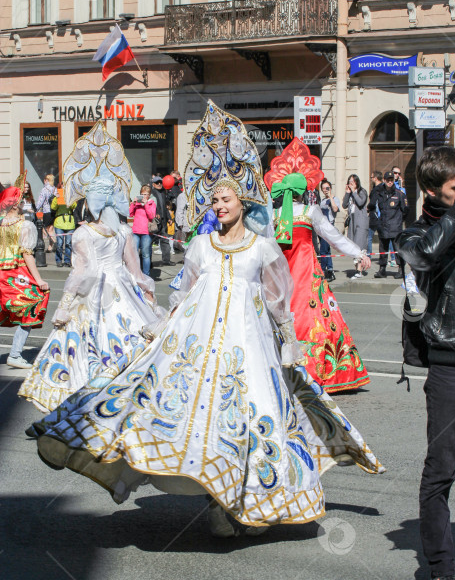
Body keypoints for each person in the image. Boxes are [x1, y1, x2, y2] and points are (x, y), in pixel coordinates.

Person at [27, 101, 384, 539]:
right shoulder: (200, 247)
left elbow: (278, 297)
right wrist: (161, 323)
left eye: (227, 197)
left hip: (251, 346)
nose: (219, 204)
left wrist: (289, 340)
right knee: (201, 419)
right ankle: (218, 502)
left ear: (243, 200)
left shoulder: (261, 247)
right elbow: (183, 293)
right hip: (199, 344)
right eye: (214, 198)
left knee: (253, 420)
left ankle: (247, 501)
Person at [19, 122, 164, 412]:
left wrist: (65, 305)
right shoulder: (123, 232)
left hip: (97, 293)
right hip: (123, 288)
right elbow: (135, 271)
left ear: (90, 204)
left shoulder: (84, 233)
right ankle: (126, 392)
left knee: (91, 343)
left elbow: (81, 274)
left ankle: (91, 392)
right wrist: (146, 292)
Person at [395, 146, 455, 580]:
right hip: (450, 361)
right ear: (432, 191)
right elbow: (424, 257)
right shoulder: (414, 234)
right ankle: (440, 569)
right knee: (441, 467)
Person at [266, 138, 371, 393]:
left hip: (279, 276)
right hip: (307, 274)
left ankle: (279, 367)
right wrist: (359, 253)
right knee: (315, 319)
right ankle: (319, 370)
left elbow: (264, 249)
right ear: (304, 190)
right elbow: (333, 238)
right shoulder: (311, 211)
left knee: (279, 318)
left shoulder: (274, 216)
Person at [0, 181, 49, 369]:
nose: (23, 204)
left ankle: (15, 353)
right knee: (34, 301)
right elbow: (27, 254)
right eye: (21, 201)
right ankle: (15, 353)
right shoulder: (25, 225)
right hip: (15, 272)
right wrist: (39, 279)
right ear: (14, 204)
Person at [371, 170, 408, 279]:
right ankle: (382, 269)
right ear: (384, 180)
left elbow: (405, 209)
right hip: (383, 226)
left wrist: (399, 221)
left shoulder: (399, 194)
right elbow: (373, 205)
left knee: (397, 250)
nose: (389, 182)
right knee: (383, 249)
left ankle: (401, 269)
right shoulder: (380, 194)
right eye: (388, 180)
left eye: (391, 180)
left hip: (395, 227)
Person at [342, 174, 369, 280]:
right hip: (352, 222)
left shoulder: (362, 192)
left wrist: (354, 191)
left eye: (353, 181)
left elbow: (361, 202)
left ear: (357, 182)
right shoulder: (350, 193)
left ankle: (359, 270)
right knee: (353, 245)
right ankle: (357, 270)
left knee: (359, 245)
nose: (351, 183)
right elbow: (344, 205)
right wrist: (347, 193)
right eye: (349, 181)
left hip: (361, 222)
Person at [130, 184, 157, 276]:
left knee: (145, 254)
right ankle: (135, 273)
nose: (144, 196)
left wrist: (146, 205)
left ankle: (146, 275)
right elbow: (130, 214)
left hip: (146, 232)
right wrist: (133, 204)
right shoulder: (137, 203)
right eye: (142, 194)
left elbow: (151, 216)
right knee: (134, 253)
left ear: (149, 195)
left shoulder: (152, 203)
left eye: (146, 194)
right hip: (136, 231)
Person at [319, 179, 340, 282]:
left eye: (327, 188)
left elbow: (335, 209)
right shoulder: (322, 201)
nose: (325, 190)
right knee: (326, 249)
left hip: (329, 226)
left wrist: (331, 197)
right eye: (323, 189)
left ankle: (323, 270)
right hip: (322, 226)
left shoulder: (335, 199)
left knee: (323, 250)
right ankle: (330, 270)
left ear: (330, 188)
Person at [51, 184, 76, 268]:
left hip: (69, 222)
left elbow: (74, 206)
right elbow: (53, 207)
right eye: (62, 187)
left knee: (68, 243)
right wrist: (56, 198)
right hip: (59, 222)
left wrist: (70, 200)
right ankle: (58, 260)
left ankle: (67, 260)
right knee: (60, 243)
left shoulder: (70, 197)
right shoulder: (57, 197)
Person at [150, 176, 171, 265]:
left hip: (163, 220)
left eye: (160, 182)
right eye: (157, 183)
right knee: (150, 241)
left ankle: (166, 260)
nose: (159, 184)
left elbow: (165, 207)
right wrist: (155, 214)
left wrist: (169, 217)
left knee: (165, 240)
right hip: (155, 221)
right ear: (153, 184)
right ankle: (147, 261)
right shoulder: (151, 193)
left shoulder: (163, 192)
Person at [36, 174, 57, 252]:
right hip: (54, 211)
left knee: (43, 228)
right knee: (50, 229)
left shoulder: (44, 189)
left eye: (44, 179)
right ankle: (50, 247)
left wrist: (36, 209)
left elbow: (41, 201)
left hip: (47, 211)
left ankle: (54, 242)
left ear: (46, 180)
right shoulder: (55, 189)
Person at [368, 171, 383, 257]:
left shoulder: (376, 189)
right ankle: (390, 257)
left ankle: (368, 255)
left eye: (371, 177)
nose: (371, 179)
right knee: (383, 238)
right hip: (382, 216)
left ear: (375, 178)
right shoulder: (383, 188)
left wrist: (368, 208)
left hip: (375, 216)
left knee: (369, 237)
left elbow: (373, 203)